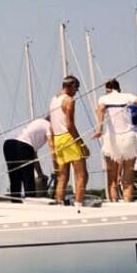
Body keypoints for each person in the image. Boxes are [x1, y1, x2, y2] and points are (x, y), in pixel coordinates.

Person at [48, 76, 89, 206]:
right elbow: (70, 125)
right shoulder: (69, 100)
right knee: (82, 174)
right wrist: (81, 143)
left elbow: (51, 122)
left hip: (57, 138)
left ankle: (59, 203)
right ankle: (78, 204)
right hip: (68, 137)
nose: (76, 92)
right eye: (76, 88)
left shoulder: (54, 99)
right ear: (70, 86)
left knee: (63, 176)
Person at [3, 116, 52, 202]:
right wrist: (57, 167)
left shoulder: (35, 124)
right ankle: (31, 203)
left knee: (14, 178)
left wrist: (40, 174)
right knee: (28, 178)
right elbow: (52, 145)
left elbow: (33, 155)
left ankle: (15, 203)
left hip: (8, 143)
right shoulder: (48, 125)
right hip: (23, 144)